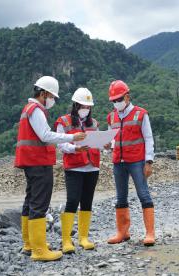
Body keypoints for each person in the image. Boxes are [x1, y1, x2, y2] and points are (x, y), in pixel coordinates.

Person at [14, 76, 86, 262]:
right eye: (52, 96)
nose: (53, 99)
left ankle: (29, 245)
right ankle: (39, 251)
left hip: (30, 161)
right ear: (44, 93)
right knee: (39, 203)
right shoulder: (36, 110)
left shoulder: (27, 109)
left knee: (30, 201)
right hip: (38, 161)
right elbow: (45, 135)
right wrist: (71, 137)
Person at [105, 80, 156, 246]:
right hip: (118, 161)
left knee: (143, 194)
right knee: (120, 197)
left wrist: (149, 161)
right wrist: (107, 145)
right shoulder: (111, 116)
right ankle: (122, 232)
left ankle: (149, 233)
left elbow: (148, 138)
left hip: (137, 161)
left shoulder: (141, 114)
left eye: (118, 99)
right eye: (113, 101)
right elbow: (112, 139)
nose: (116, 103)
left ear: (127, 97)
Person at [54, 88, 100, 254]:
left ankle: (83, 238)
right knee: (72, 201)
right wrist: (75, 149)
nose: (85, 109)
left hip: (92, 167)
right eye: (83, 106)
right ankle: (66, 240)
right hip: (74, 167)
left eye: (88, 107)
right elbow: (60, 143)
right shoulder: (63, 122)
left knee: (87, 201)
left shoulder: (93, 123)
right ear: (75, 105)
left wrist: (108, 145)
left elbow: (98, 142)